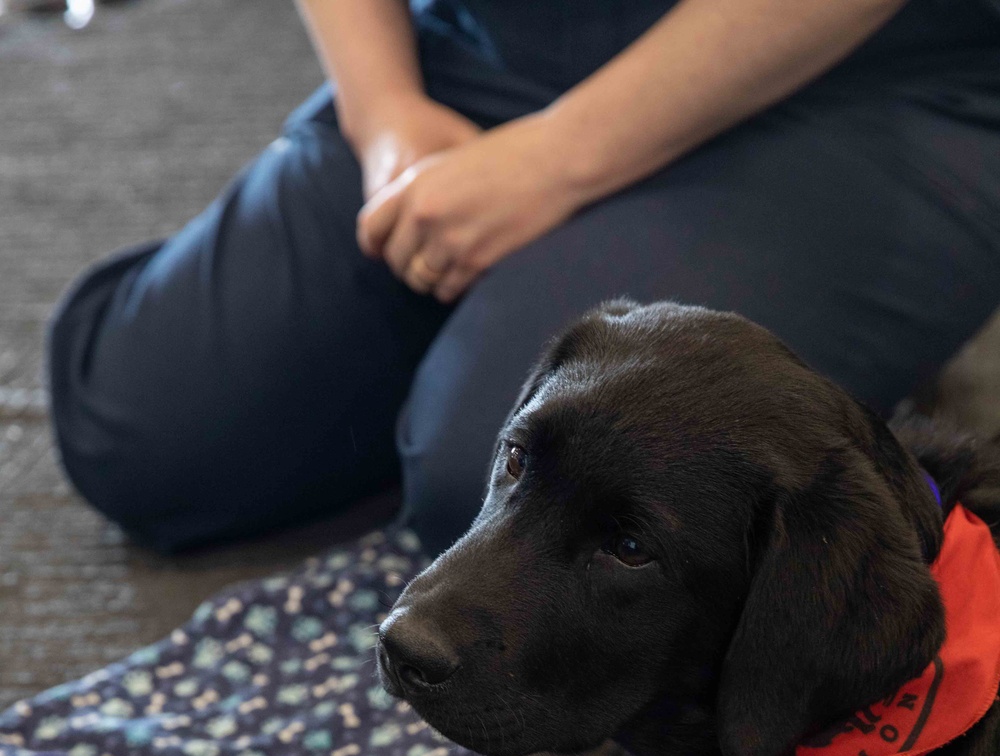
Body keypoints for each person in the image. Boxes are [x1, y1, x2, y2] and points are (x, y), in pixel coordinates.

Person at [48, 0, 1000, 559]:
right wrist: (383, 117)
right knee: (140, 433)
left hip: (861, 79)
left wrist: (553, 165)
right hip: (497, 42)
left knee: (512, 489)